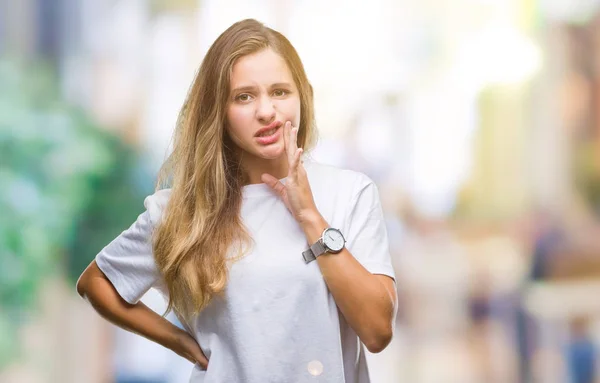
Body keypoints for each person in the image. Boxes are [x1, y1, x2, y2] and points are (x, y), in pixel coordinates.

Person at [76, 18, 397, 383]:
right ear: (219, 112)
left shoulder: (350, 193)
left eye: (279, 92)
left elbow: (377, 331)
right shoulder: (182, 211)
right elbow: (97, 282)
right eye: (244, 96)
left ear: (302, 97)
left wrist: (309, 216)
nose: (266, 111)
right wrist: (177, 340)